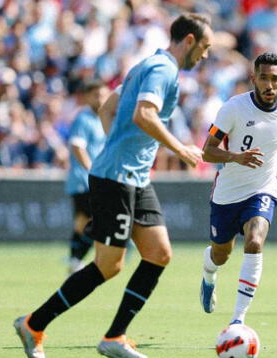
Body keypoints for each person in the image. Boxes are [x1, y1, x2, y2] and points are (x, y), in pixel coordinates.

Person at [13, 13, 213, 358]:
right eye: (205, 47)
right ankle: (34, 323)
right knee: (109, 265)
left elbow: (107, 108)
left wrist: (119, 147)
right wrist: (179, 148)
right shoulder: (162, 70)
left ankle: (115, 337)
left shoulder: (145, 65)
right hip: (117, 178)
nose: (206, 55)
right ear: (190, 41)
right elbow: (143, 115)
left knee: (159, 253)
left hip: (133, 175)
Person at [199, 52, 277, 325]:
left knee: (255, 241)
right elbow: (207, 152)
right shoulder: (233, 108)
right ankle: (209, 274)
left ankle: (238, 320)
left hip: (264, 187)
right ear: (253, 79)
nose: (268, 85)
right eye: (263, 78)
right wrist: (235, 157)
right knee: (220, 254)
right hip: (227, 193)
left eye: (274, 79)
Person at [64, 80, 108, 273]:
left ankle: (75, 260)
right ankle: (77, 259)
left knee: (83, 221)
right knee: (96, 220)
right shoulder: (83, 119)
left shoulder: (105, 119)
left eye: (103, 94)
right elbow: (77, 147)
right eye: (96, 95)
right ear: (88, 97)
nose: (100, 99)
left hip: (97, 179)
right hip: (83, 179)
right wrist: (92, 170)